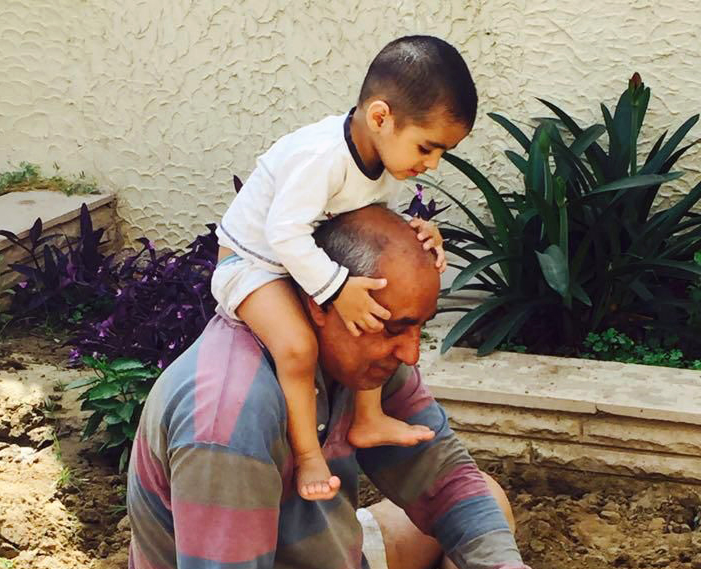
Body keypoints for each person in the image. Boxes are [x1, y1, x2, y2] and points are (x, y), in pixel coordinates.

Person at [127, 206, 531, 569]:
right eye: (394, 329)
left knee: (483, 508)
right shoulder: (229, 416)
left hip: (329, 551)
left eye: (418, 328)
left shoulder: (361, 359)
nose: (411, 354)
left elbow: (442, 475)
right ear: (323, 302)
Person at [212, 35, 477, 500]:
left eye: (442, 154)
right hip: (251, 265)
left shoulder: (381, 160)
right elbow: (284, 234)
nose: (433, 165)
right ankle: (309, 455)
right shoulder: (322, 158)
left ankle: (367, 418)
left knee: (371, 319)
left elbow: (368, 226)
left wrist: (419, 232)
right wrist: (337, 288)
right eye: (426, 148)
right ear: (380, 117)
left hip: (296, 261)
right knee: (297, 348)